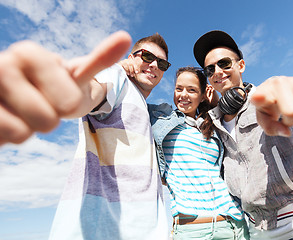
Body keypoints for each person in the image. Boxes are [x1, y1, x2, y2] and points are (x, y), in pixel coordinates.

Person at [0, 31, 170, 239]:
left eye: (162, 64)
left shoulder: (144, 106)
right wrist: (68, 93)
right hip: (105, 229)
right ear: (131, 58)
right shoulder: (117, 78)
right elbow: (92, 94)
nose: (154, 65)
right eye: (147, 56)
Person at [193, 30, 293, 240]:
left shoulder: (263, 100)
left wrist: (285, 90)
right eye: (210, 69)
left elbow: (277, 91)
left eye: (224, 63)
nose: (217, 71)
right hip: (263, 233)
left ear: (241, 66)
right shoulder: (215, 125)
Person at [147, 67, 249, 239]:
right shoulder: (161, 118)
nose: (183, 95)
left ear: (202, 95)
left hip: (233, 224)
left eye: (192, 90)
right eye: (179, 89)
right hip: (193, 228)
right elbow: (128, 100)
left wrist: (215, 105)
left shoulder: (210, 125)